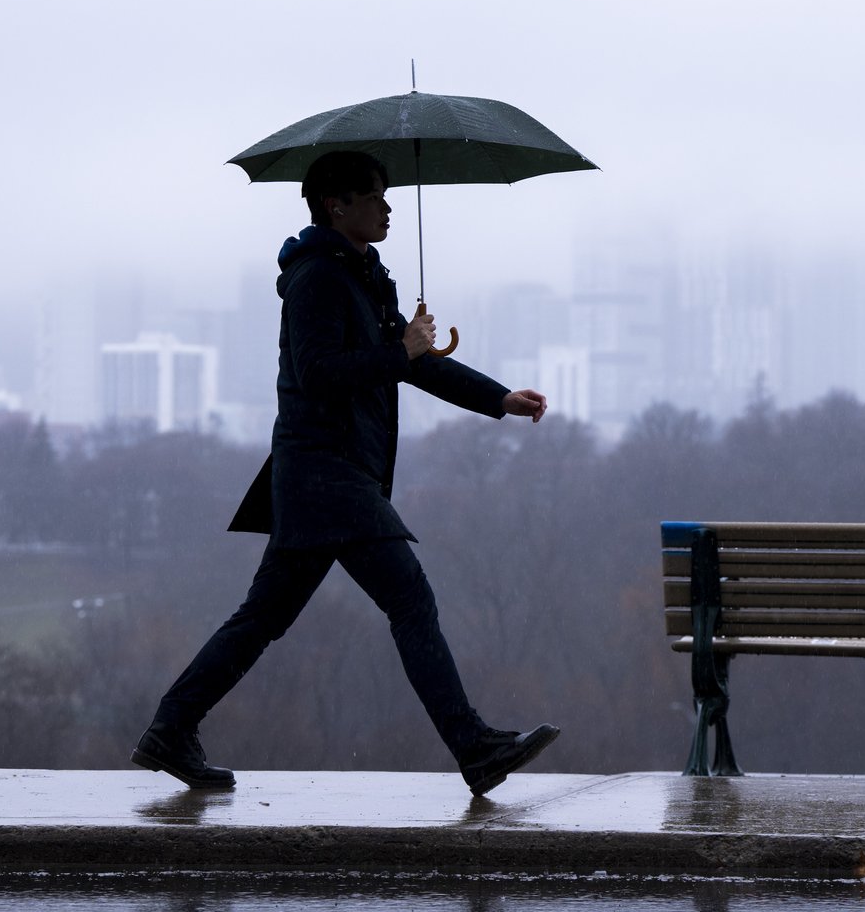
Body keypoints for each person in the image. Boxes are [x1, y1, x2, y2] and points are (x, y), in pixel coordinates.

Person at [131, 150, 557, 796]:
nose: (387, 206)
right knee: (409, 597)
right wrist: (398, 349)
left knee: (261, 619)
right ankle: (474, 747)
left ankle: (170, 727)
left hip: (328, 480)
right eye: (375, 196)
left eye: (388, 197)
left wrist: (498, 398)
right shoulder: (316, 281)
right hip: (325, 476)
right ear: (337, 205)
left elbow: (413, 365)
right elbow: (320, 372)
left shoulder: (364, 275)